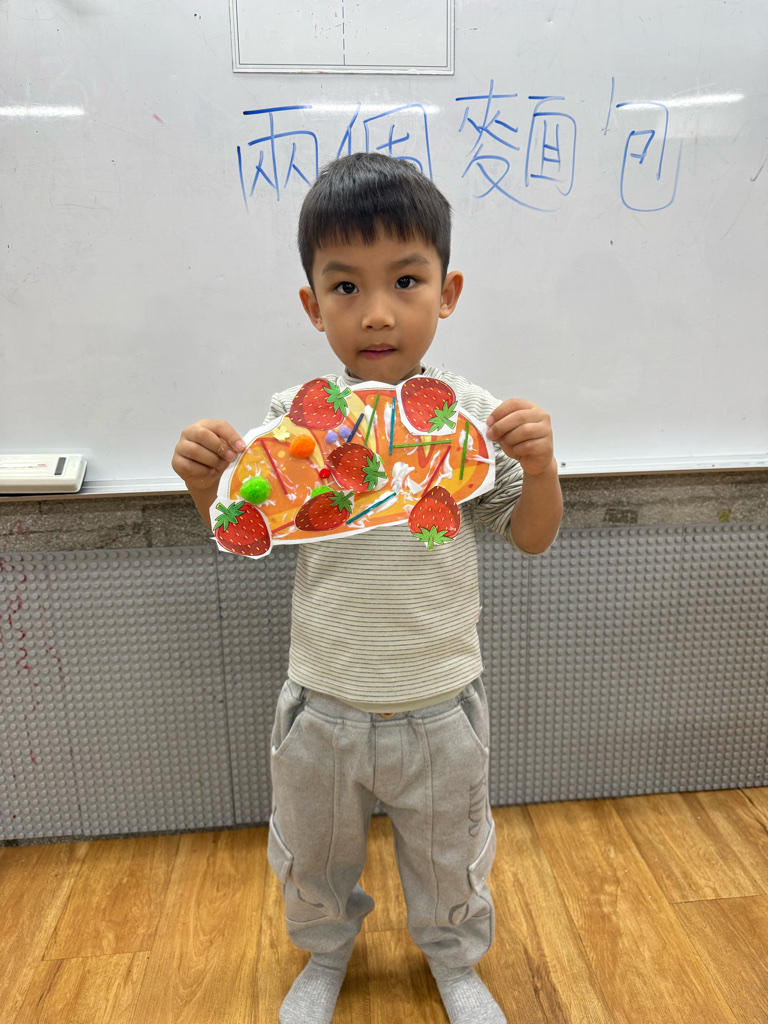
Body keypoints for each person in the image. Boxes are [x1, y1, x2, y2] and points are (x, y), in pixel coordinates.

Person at [172, 152, 562, 1024]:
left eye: (406, 281)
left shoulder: (469, 416)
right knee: (311, 856)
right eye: (345, 287)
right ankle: (324, 957)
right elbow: (253, 532)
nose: (377, 312)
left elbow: (532, 536)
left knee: (452, 855)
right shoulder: (295, 417)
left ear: (447, 292)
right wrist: (209, 485)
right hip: (324, 703)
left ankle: (455, 964)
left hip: (441, 701)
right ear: (312, 304)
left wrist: (540, 468)